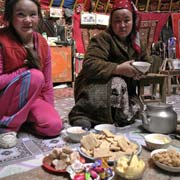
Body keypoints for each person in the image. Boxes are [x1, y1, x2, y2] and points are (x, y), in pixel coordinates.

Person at [69, 0, 152, 129]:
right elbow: (90, 64)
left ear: (133, 21)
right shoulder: (103, 39)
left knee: (132, 111)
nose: (122, 25)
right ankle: (83, 115)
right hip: (94, 86)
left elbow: (147, 61)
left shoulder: (137, 42)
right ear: (111, 23)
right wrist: (118, 69)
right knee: (118, 83)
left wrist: (141, 72)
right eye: (117, 21)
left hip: (124, 91)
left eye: (126, 20)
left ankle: (113, 116)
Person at [0, 0, 63, 148]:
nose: (28, 20)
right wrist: (25, 71)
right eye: (21, 14)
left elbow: (47, 83)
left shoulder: (41, 43)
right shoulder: (2, 40)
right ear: (10, 16)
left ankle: (21, 120)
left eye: (32, 15)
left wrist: (49, 109)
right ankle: (7, 127)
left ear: (39, 17)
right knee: (35, 76)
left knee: (54, 126)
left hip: (31, 98)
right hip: (4, 98)